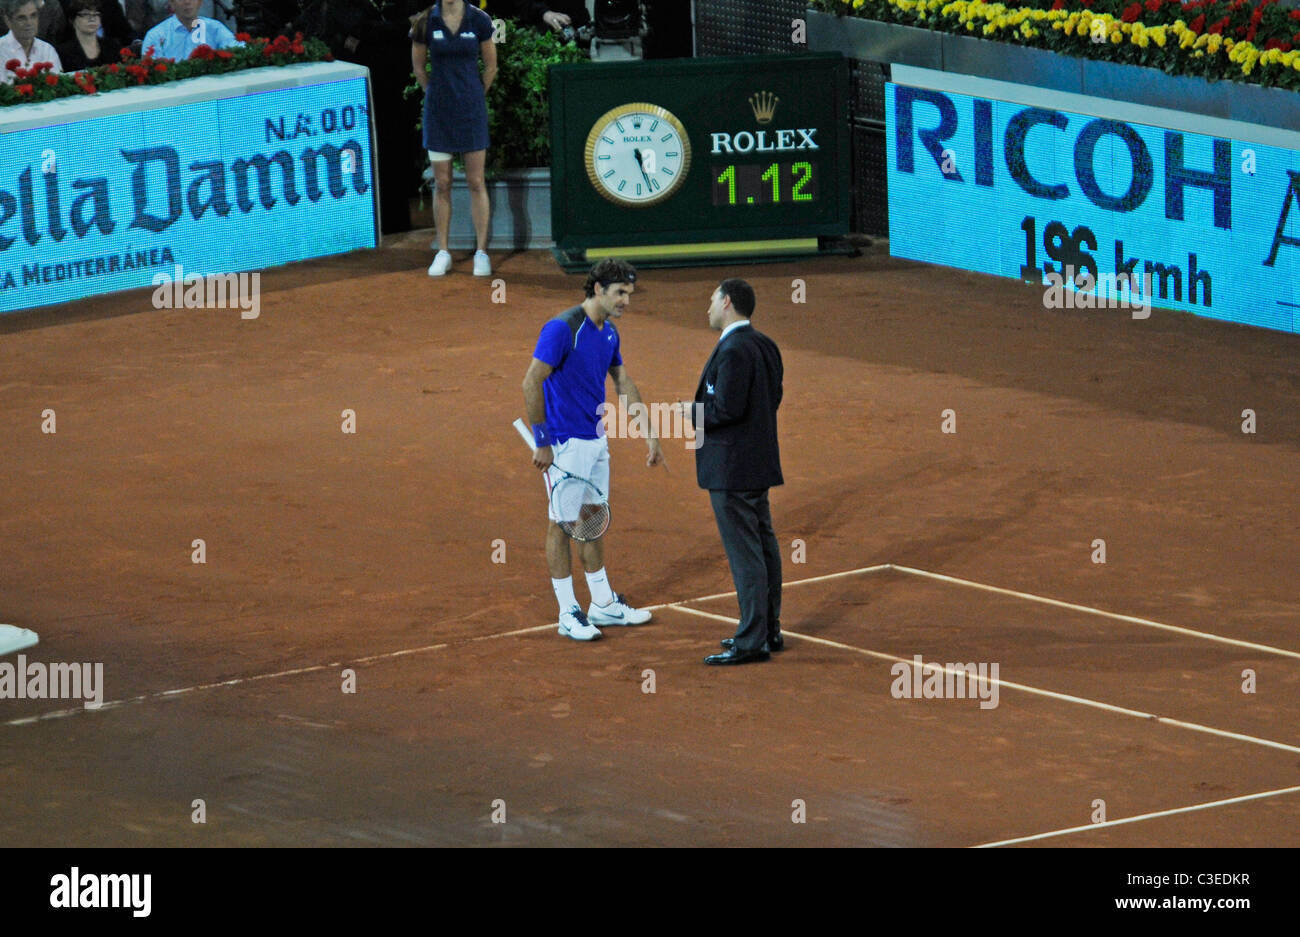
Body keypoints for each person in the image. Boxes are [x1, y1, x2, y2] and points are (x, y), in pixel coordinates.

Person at [521, 258, 664, 642]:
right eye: (620, 293)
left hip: (596, 440)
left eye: (629, 294)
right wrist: (543, 440)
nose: (626, 301)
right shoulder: (563, 328)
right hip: (566, 443)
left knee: (592, 518)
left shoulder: (609, 333)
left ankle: (601, 603)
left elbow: (622, 381)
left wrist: (648, 433)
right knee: (561, 524)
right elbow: (531, 381)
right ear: (598, 289)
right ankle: (568, 611)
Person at [687, 279, 784, 666]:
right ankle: (767, 630)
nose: (707, 307)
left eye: (712, 299)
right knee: (763, 546)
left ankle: (750, 641)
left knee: (746, 554)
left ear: (727, 302)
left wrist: (689, 413)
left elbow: (727, 409)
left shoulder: (734, 349)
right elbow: (771, 398)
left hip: (732, 470)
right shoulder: (765, 345)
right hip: (757, 463)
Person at [411, 0, 496, 277]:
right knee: (443, 183)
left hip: (471, 114)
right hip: (438, 116)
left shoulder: (480, 20)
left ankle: (481, 253)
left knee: (475, 181)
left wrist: (471, 97)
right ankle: (443, 252)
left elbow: (491, 67)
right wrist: (438, 97)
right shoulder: (425, 22)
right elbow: (420, 69)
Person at [140, 0, 239, 59]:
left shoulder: (215, 28)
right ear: (172, 4)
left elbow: (239, 51)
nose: (187, 2)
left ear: (200, 2)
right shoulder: (155, 36)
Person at [0, 0, 62, 82]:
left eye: (33, 16)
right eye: (21, 18)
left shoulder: (47, 50)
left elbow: (58, 86)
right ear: (8, 21)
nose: (29, 23)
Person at [57, 0, 121, 69]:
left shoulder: (113, 47)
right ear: (72, 20)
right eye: (85, 14)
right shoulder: (62, 52)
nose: (92, 19)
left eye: (96, 14)